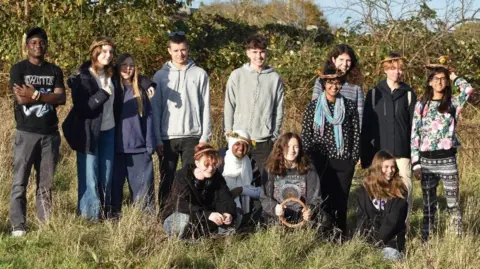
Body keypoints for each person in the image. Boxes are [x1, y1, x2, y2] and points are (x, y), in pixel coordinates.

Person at [9, 27, 66, 236]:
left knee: (46, 183)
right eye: (33, 43)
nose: (38, 46)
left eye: (41, 42)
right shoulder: (19, 69)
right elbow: (20, 99)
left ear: (46, 45)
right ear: (27, 46)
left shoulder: (54, 70)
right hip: (26, 132)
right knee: (19, 181)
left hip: (50, 133)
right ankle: (18, 225)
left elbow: (62, 99)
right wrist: (43, 96)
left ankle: (46, 224)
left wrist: (34, 94)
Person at [411, 59, 474, 241]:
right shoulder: (421, 105)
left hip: (448, 160)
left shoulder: (453, 103)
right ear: (429, 82)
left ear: (446, 82)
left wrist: (453, 74)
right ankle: (427, 240)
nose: (439, 82)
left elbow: (468, 89)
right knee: (428, 206)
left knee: (453, 204)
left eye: (443, 78)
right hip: (426, 161)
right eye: (436, 78)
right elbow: (414, 135)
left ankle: (457, 241)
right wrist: (416, 163)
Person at [64, 37, 121, 220]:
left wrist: (148, 84)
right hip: (88, 132)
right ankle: (89, 216)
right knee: (90, 174)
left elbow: (134, 76)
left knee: (106, 173)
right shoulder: (82, 76)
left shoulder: (113, 73)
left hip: (109, 130)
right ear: (94, 52)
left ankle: (104, 212)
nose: (108, 55)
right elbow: (83, 107)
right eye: (104, 51)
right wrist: (103, 94)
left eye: (111, 52)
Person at [152, 32, 211, 209]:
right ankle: (164, 212)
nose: (180, 54)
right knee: (167, 177)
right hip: (167, 137)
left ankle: (190, 212)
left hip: (193, 136)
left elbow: (205, 106)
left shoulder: (200, 74)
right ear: (169, 51)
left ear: (188, 50)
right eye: (176, 50)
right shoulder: (160, 76)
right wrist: (157, 138)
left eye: (183, 50)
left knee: (192, 176)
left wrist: (204, 137)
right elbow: (155, 109)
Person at [301, 68, 360, 237]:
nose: (334, 86)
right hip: (320, 161)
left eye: (338, 83)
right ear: (323, 84)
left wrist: (353, 158)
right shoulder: (313, 106)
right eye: (330, 82)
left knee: (340, 200)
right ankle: (323, 234)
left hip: (343, 161)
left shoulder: (348, 105)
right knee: (322, 199)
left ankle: (340, 234)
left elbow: (356, 133)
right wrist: (309, 159)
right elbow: (306, 134)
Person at [361, 52, 417, 215]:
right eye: (392, 68)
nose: (396, 72)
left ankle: (403, 232)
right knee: (380, 193)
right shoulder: (374, 94)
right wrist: (365, 156)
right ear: (385, 69)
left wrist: (415, 156)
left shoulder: (408, 94)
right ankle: (380, 231)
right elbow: (367, 127)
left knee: (405, 191)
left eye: (400, 69)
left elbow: (414, 127)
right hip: (380, 154)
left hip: (403, 153)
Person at [224, 34, 284, 180]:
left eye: (262, 52)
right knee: (236, 179)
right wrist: (229, 133)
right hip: (239, 138)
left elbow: (279, 109)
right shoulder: (237, 75)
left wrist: (274, 134)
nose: (259, 56)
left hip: (263, 141)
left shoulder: (274, 78)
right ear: (248, 53)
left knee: (262, 181)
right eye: (255, 52)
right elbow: (229, 105)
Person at [110, 53, 157, 217]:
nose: (127, 68)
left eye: (131, 65)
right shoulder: (112, 87)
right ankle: (112, 222)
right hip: (115, 149)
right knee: (114, 191)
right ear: (117, 66)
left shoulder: (141, 90)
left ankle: (146, 224)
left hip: (139, 149)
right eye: (124, 64)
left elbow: (149, 119)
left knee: (144, 193)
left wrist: (150, 145)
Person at [162, 143, 236, 238]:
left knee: (235, 216)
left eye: (214, 164)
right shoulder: (181, 176)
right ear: (197, 163)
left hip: (204, 217)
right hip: (179, 216)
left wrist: (227, 213)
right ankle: (186, 239)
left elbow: (226, 198)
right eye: (206, 164)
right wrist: (208, 215)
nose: (211, 168)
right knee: (184, 220)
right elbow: (181, 205)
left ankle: (208, 235)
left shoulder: (217, 177)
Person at [260, 132, 323, 227]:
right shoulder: (270, 169)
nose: (292, 150)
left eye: (295, 147)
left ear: (300, 149)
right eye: (287, 146)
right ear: (280, 148)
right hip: (278, 214)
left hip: (301, 215)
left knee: (324, 219)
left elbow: (315, 198)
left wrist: (310, 210)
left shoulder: (309, 169)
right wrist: (275, 209)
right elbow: (265, 197)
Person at [355, 150, 408, 261]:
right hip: (368, 241)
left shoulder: (400, 191)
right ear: (377, 168)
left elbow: (392, 222)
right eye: (386, 167)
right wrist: (361, 243)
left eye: (393, 167)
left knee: (388, 256)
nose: (390, 171)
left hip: (390, 242)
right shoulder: (364, 190)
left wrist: (374, 245)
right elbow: (361, 218)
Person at [311, 44, 364, 127]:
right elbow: (314, 107)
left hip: (348, 133)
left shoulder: (355, 85)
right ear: (333, 60)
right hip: (324, 131)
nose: (345, 64)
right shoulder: (321, 81)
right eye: (341, 59)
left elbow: (360, 113)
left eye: (348, 60)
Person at [222, 130, 261, 229]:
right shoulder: (221, 161)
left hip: (245, 203)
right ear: (231, 144)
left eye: (245, 145)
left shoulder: (251, 163)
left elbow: (259, 192)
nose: (241, 148)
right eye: (237, 143)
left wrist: (241, 189)